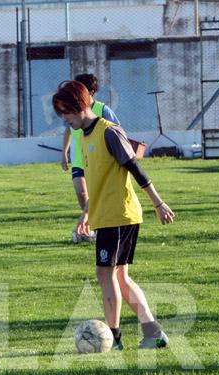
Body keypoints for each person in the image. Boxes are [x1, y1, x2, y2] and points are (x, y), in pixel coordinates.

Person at [52, 80, 175, 350]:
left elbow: (135, 168)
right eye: (60, 114)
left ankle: (113, 338)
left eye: (66, 112)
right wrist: (86, 213)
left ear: (80, 105)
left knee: (105, 274)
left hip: (119, 214)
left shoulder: (109, 132)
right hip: (104, 215)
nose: (64, 119)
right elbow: (98, 180)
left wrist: (158, 203)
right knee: (119, 277)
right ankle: (153, 333)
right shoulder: (83, 137)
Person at [60, 73, 119, 242]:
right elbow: (68, 130)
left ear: (91, 91)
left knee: (97, 193)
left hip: (97, 159)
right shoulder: (72, 110)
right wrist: (64, 153)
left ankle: (97, 225)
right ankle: (91, 222)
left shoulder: (103, 110)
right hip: (79, 158)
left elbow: (117, 131)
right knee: (81, 193)